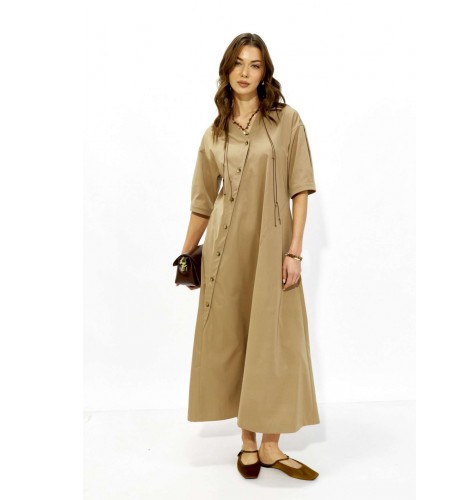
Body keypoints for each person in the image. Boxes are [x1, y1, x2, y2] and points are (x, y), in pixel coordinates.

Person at [177, 33, 320, 481]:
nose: (244, 72)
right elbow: (203, 202)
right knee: (236, 338)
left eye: (254, 65)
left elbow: (300, 189)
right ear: (227, 70)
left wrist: (294, 250)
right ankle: (247, 443)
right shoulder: (214, 133)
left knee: (274, 342)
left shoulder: (286, 121)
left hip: (272, 247)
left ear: (264, 73)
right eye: (238, 63)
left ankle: (272, 446)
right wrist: (185, 255)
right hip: (225, 250)